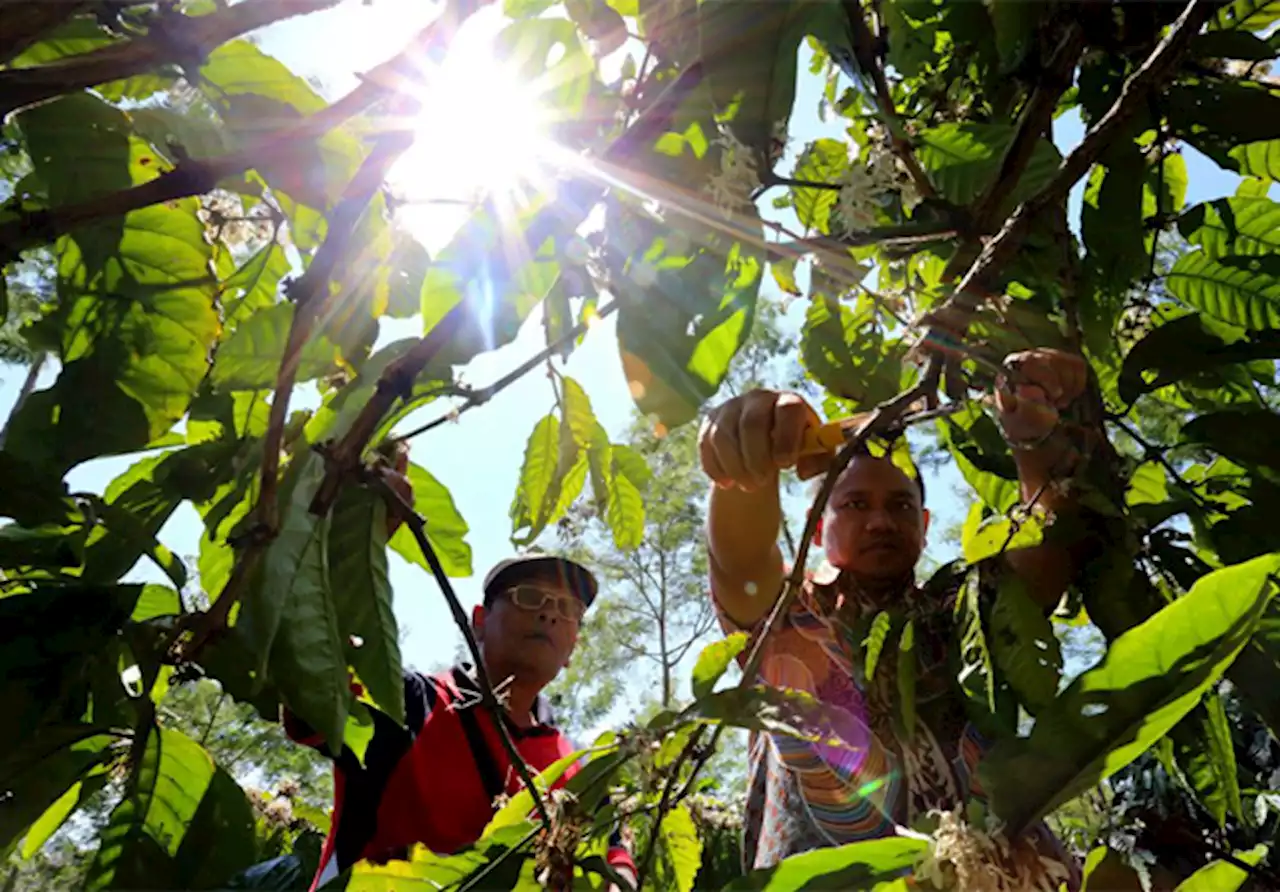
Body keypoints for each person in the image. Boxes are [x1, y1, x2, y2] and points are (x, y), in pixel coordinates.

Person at [697, 347, 1091, 890]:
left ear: (926, 525)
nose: (881, 520)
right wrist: (748, 459)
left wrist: (1035, 427)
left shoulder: (963, 607)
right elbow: (740, 564)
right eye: (855, 505)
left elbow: (1053, 544)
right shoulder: (795, 615)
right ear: (818, 530)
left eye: (900, 506)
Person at [283, 554, 637, 890]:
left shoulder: (577, 767)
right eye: (529, 597)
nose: (549, 615)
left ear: (573, 646)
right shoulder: (407, 703)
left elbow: (615, 854)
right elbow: (311, 691)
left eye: (568, 608)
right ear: (479, 621)